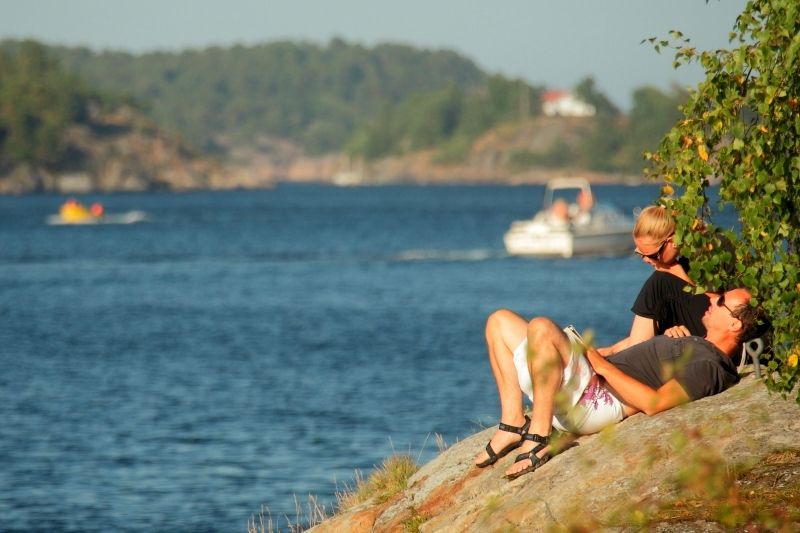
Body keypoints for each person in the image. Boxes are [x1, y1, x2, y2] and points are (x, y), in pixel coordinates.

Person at [474, 288, 769, 480]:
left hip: (598, 398)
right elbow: (642, 356)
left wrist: (599, 366)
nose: (711, 299)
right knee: (499, 322)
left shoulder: (709, 366)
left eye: (720, 302)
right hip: (588, 382)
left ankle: (537, 437)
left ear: (734, 325)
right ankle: (513, 424)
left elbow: (655, 404)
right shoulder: (696, 345)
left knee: (541, 325)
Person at [599, 205, 710, 355]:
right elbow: (640, 335)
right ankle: (615, 355)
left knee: (660, 281)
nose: (646, 260)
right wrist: (610, 350)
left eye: (652, 255)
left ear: (672, 241)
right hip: (699, 330)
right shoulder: (685, 259)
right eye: (640, 254)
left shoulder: (706, 254)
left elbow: (720, 305)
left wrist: (675, 271)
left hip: (720, 333)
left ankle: (631, 359)